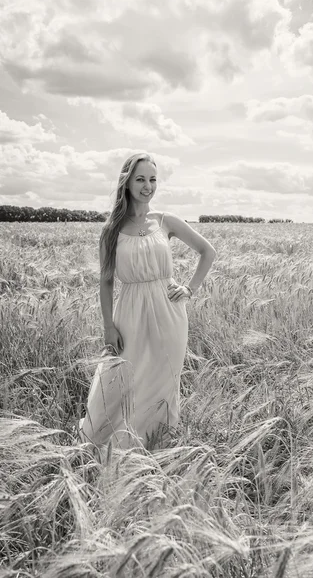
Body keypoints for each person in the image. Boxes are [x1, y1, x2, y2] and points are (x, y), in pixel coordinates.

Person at [78, 152, 216, 451]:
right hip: (129, 312)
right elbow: (106, 281)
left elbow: (208, 252)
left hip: (169, 313)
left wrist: (190, 289)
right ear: (126, 183)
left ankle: (155, 447)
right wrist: (107, 326)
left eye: (152, 179)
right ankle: (112, 445)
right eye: (140, 179)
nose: (147, 186)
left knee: (162, 381)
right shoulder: (111, 229)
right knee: (120, 378)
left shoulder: (166, 221)